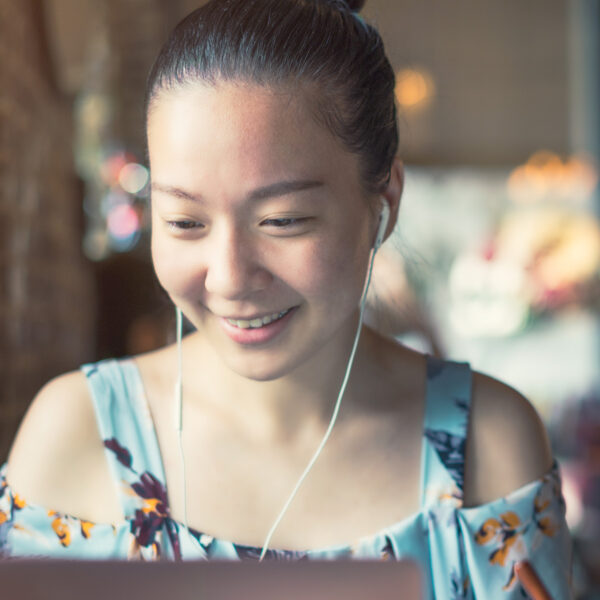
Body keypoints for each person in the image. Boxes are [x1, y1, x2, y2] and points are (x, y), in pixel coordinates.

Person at [0, 0, 571, 597]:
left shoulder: (489, 448)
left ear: (384, 202)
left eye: (283, 220)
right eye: (185, 222)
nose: (228, 278)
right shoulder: (78, 436)